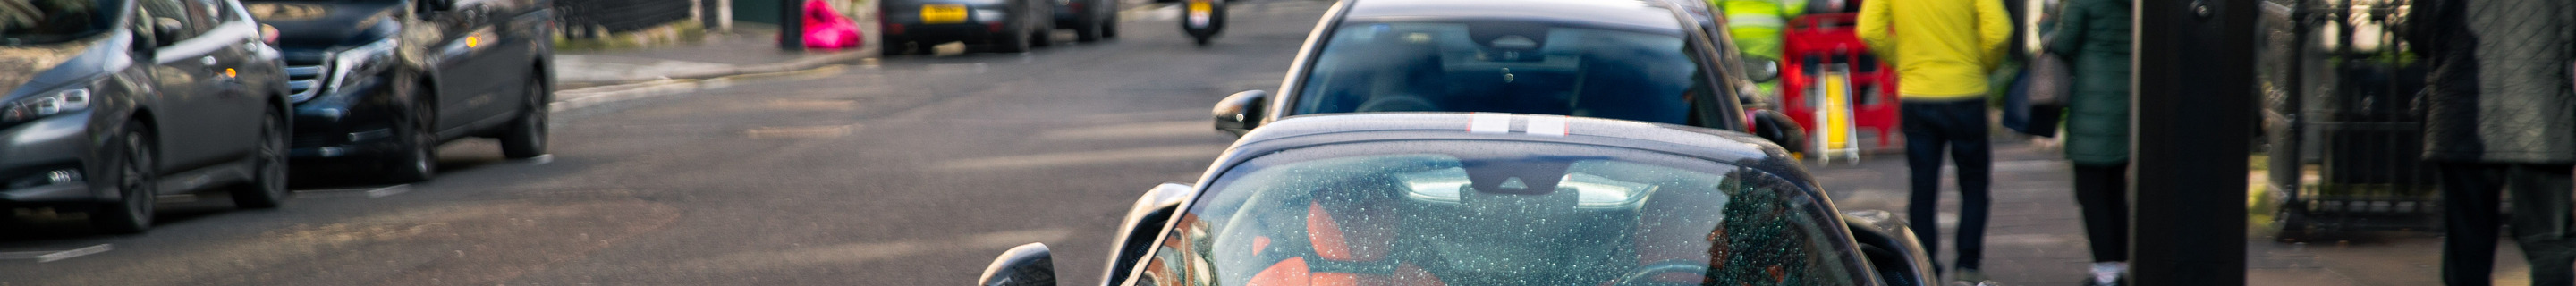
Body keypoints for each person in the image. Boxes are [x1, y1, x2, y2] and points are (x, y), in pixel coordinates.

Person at [2403, 0, 2576, 285]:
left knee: (2467, 248)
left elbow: (2419, 37)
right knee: (2550, 247)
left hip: (2464, 116)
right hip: (2540, 118)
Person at [1857, 0, 2010, 282]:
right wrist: (1982, 64)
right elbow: (1999, 32)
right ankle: (1969, 265)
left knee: (1923, 187)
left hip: (1918, 93)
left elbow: (1870, 31)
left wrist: (1904, 61)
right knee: (1974, 183)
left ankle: (1925, 268)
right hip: (1966, 92)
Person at [2040, 0, 2129, 284]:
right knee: (2116, 191)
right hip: (2126, 100)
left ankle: (2105, 271)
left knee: (2092, 193)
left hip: (2093, 104)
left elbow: (2063, 44)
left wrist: (2045, 26)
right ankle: (2120, 265)